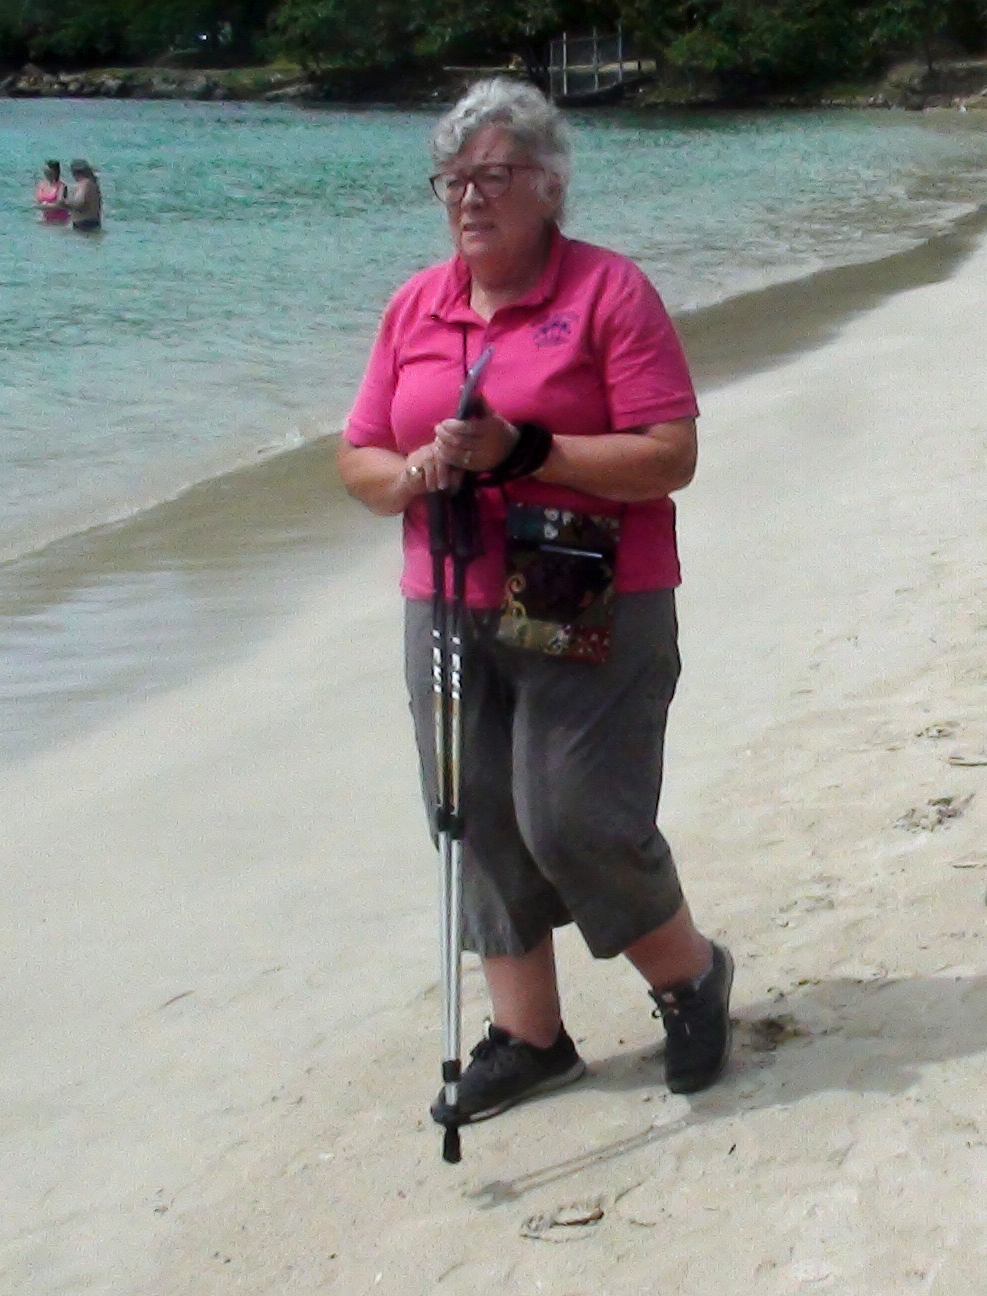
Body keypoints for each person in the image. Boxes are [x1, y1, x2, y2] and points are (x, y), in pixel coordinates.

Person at [334, 78, 733, 1125]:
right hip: (447, 588)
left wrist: (530, 452)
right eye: (452, 181)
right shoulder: (414, 306)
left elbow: (670, 456)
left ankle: (690, 977)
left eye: (493, 177)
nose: (469, 199)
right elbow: (359, 457)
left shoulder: (608, 293)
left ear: (550, 188)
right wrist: (417, 474)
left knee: (572, 815)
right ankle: (530, 1035)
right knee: (475, 819)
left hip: (582, 569)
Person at [51, 159, 103, 231]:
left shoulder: (85, 184)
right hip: (87, 223)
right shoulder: (89, 183)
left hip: (86, 224)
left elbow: (80, 204)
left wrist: (64, 203)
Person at [35, 160, 70, 225]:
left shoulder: (61, 186)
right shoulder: (41, 185)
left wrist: (45, 206)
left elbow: (60, 205)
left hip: (60, 220)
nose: (46, 174)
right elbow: (38, 203)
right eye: (45, 172)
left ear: (55, 172)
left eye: (48, 172)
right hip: (45, 219)